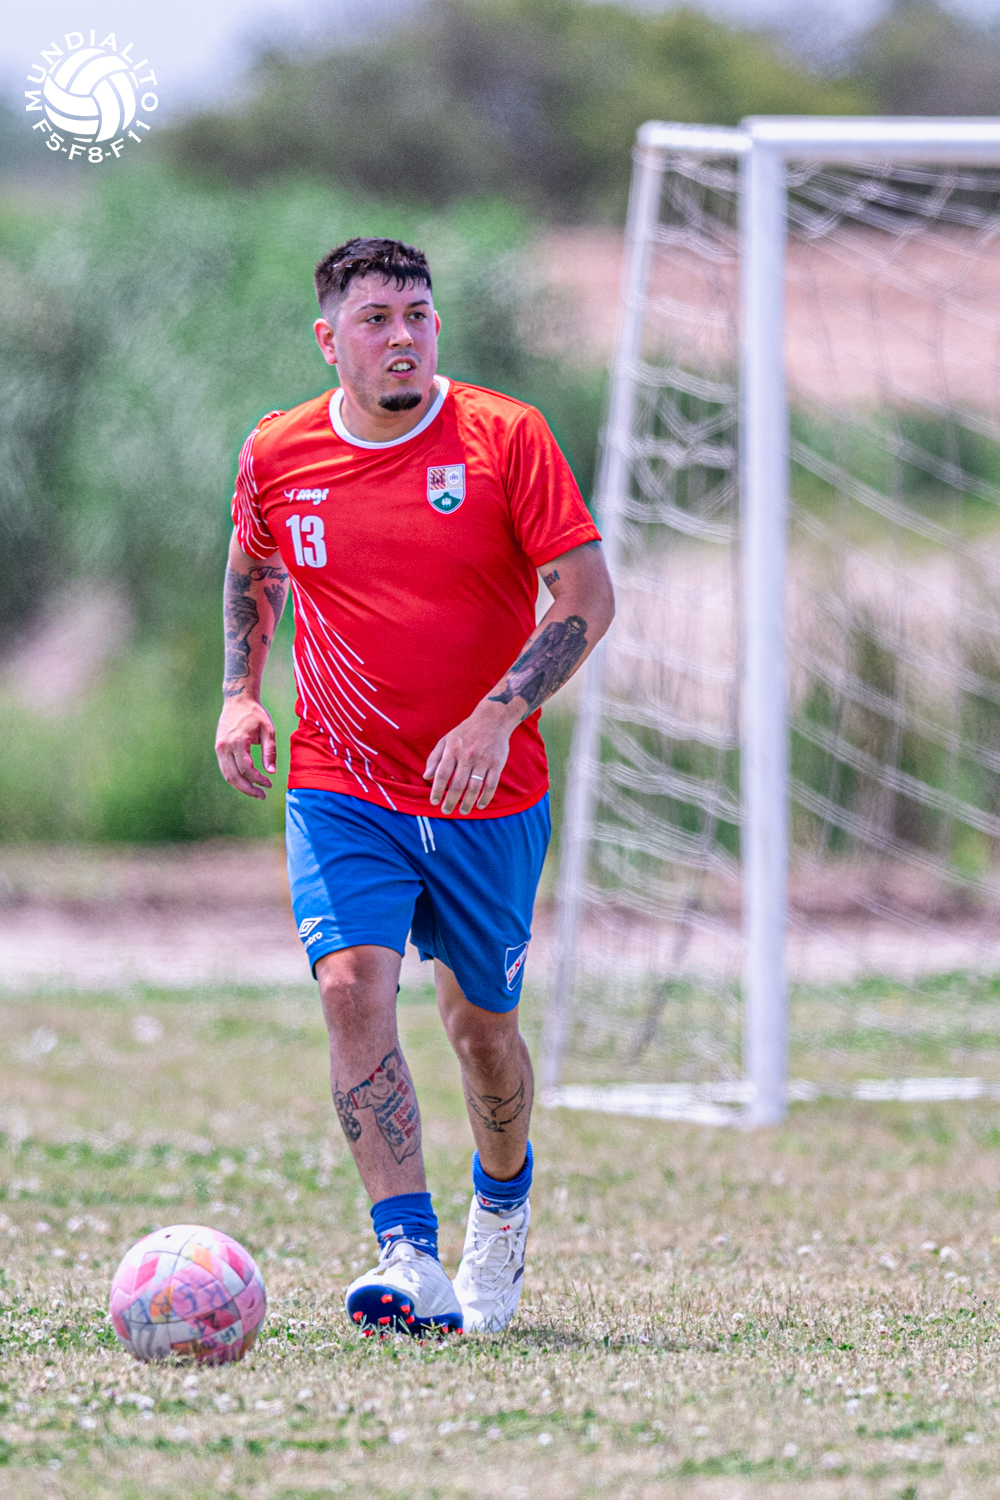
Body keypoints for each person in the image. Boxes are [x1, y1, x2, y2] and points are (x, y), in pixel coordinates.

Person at [215, 237, 614, 1335]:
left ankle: (502, 1209)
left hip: (486, 794)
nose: (403, 337)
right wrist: (240, 694)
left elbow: (586, 596)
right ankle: (408, 1255)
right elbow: (253, 565)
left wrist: (498, 714)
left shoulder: (505, 437)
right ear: (328, 338)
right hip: (341, 780)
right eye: (377, 319)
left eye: (418, 316)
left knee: (481, 1031)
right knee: (350, 986)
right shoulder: (278, 452)